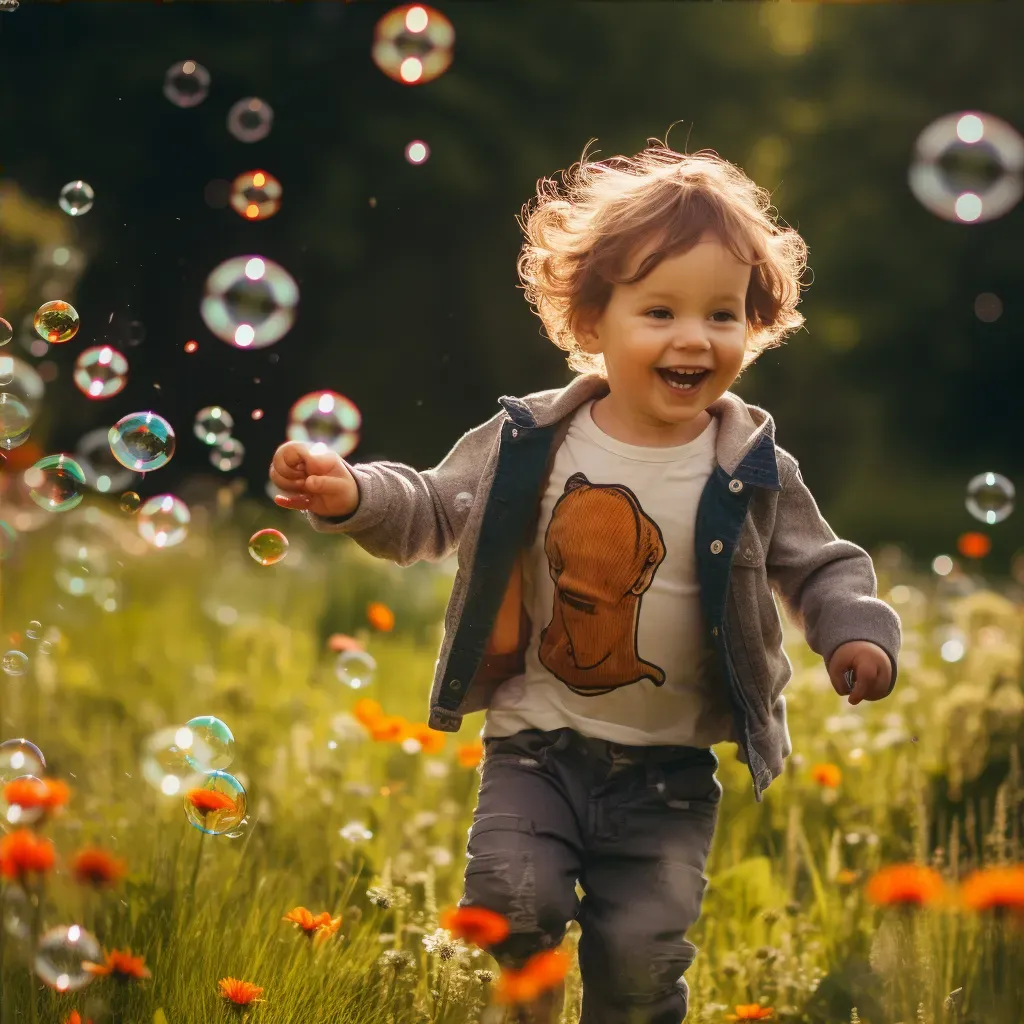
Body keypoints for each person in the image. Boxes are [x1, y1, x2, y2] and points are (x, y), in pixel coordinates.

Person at [269, 139, 902, 1024]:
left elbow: (819, 563)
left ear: (754, 327)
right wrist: (351, 494)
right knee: (510, 905)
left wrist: (856, 630)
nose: (694, 337)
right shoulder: (534, 441)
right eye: (660, 311)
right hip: (539, 743)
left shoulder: (751, 465)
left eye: (723, 314)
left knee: (641, 970)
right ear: (590, 322)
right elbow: (431, 509)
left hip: (671, 773)